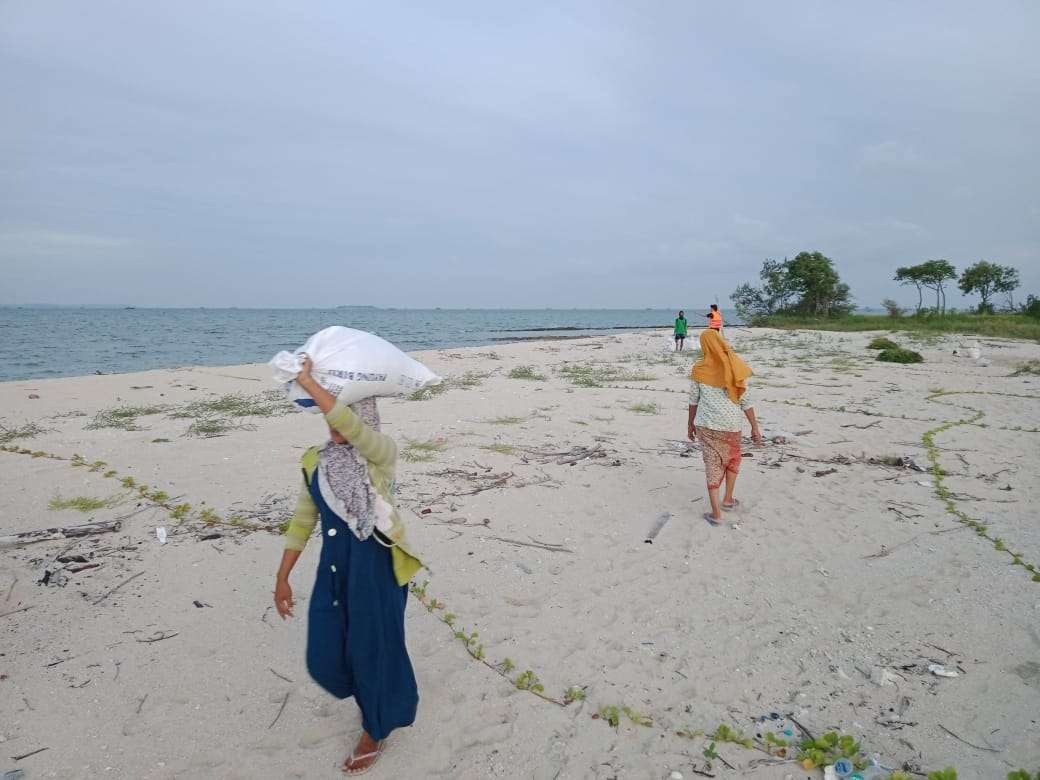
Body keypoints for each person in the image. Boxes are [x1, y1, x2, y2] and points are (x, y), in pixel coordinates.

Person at [273, 356, 422, 775]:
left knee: (374, 648)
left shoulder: (380, 453)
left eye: (346, 417)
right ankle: (370, 696)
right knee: (327, 649)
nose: (336, 427)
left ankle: (376, 727)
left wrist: (307, 381)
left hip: (376, 566)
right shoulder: (315, 462)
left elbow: (351, 427)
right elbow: (303, 521)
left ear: (365, 417)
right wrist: (282, 576)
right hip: (335, 567)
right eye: (331, 420)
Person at [686, 329, 763, 525]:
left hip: (706, 425)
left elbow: (693, 401)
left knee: (712, 465)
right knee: (732, 460)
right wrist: (754, 427)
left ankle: (716, 514)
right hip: (731, 425)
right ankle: (728, 500)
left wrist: (689, 424)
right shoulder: (735, 366)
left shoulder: (699, 369)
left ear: (705, 346)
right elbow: (746, 400)